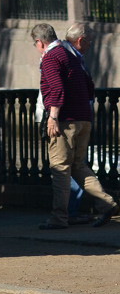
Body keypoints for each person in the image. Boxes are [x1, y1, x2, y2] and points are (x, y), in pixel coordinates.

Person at [32, 23, 117, 230]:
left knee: (60, 169)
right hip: (83, 119)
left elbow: (56, 88)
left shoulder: (52, 57)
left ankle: (59, 218)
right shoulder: (73, 56)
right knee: (79, 166)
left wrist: (53, 117)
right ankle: (108, 204)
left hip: (65, 121)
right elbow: (89, 87)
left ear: (39, 42)